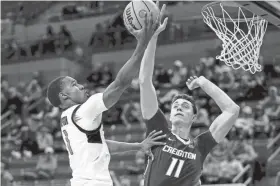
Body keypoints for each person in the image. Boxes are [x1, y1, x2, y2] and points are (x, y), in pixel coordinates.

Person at [46, 9, 167, 186]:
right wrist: (143, 43)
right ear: (64, 96)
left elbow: (101, 145)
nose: (81, 85)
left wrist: (139, 146)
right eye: (73, 85)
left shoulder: (68, 118)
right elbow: (120, 83)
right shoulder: (84, 111)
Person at [137, 2, 240, 185]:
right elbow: (145, 81)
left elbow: (232, 110)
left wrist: (203, 82)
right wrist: (153, 38)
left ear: (194, 118)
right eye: (175, 106)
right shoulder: (159, 130)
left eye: (185, 107)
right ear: (169, 114)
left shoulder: (201, 146)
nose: (178, 108)